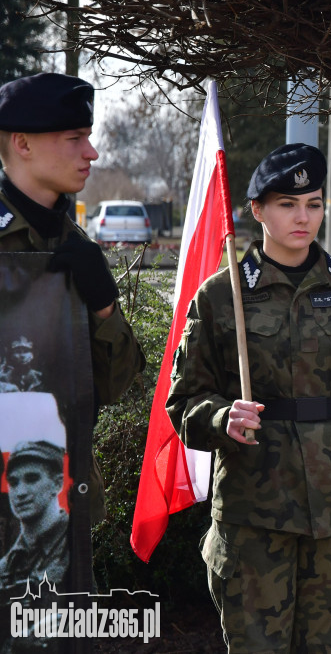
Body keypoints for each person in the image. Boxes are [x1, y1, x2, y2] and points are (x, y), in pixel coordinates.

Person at [166, 143, 331, 653]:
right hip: (254, 511)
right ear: (257, 210)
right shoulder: (223, 295)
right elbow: (184, 403)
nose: (304, 217)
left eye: (314, 204)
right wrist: (220, 418)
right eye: (287, 204)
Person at [0, 72, 145, 524]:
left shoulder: (76, 245)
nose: (92, 152)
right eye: (74, 138)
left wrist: (103, 305)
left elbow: (114, 386)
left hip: (59, 510)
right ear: (23, 144)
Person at [0, 421, 69, 591]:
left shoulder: (73, 546)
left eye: (32, 479)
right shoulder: (6, 566)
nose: (21, 492)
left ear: (57, 483)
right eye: (14, 482)